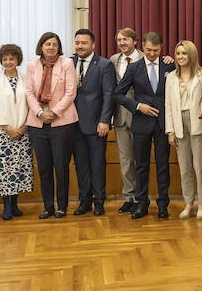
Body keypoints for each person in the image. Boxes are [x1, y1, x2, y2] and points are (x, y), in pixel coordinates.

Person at [114, 33, 173, 220]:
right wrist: (138, 106)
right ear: (143, 47)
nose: (152, 54)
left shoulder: (170, 65)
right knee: (141, 166)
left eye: (156, 50)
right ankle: (142, 204)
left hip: (163, 123)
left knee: (163, 165)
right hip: (140, 124)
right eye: (148, 50)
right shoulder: (134, 67)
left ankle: (163, 204)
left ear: (161, 48)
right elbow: (118, 94)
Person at [25, 32, 78, 219]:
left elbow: (70, 92)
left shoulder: (67, 64)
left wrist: (54, 112)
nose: (51, 47)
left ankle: (62, 206)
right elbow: (29, 93)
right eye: (47, 44)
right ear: (41, 46)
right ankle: (48, 206)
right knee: (44, 167)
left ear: (59, 47)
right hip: (37, 124)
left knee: (61, 166)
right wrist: (40, 113)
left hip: (62, 122)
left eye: (55, 44)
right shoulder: (32, 66)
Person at [70, 29, 116, 216]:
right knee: (81, 165)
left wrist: (105, 120)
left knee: (97, 164)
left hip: (97, 124)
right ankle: (84, 202)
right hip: (73, 124)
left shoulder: (104, 65)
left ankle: (99, 202)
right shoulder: (68, 63)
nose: (80, 46)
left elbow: (108, 95)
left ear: (93, 45)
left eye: (84, 43)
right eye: (77, 43)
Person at [166, 39, 202, 220]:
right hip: (179, 124)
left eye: (184, 53)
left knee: (200, 166)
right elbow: (168, 105)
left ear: (191, 54)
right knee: (184, 167)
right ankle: (188, 203)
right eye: (178, 54)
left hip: (198, 123)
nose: (180, 57)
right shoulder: (170, 78)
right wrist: (170, 131)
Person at [0, 44, 31, 220]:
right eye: (5, 59)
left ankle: (15, 203)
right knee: (4, 169)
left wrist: (23, 127)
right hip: (3, 133)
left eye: (11, 58)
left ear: (17, 60)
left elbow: (31, 104)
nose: (8, 62)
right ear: (1, 61)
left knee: (19, 168)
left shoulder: (26, 79)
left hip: (23, 132)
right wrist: (8, 127)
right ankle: (6, 205)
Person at [109, 27, 141, 213]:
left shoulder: (146, 58)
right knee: (126, 160)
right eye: (119, 40)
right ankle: (129, 196)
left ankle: (141, 197)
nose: (122, 43)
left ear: (135, 41)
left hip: (140, 116)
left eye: (125, 39)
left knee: (140, 160)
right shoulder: (113, 60)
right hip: (120, 117)